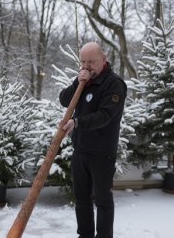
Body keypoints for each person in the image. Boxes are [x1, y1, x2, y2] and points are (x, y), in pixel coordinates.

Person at [59, 42, 127, 238]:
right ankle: (85, 235)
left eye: (91, 62)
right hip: (80, 150)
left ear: (103, 60)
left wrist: (77, 123)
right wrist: (76, 82)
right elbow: (64, 100)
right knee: (82, 199)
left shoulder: (114, 84)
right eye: (83, 62)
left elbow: (104, 116)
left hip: (102, 152)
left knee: (103, 201)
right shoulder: (83, 81)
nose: (86, 66)